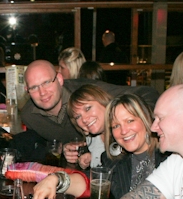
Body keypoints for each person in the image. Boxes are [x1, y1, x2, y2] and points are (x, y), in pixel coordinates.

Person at [33, 93, 182, 199]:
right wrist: (55, 179)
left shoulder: (171, 156)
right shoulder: (115, 161)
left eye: (130, 121)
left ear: (145, 120)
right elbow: (90, 181)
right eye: (116, 126)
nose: (123, 130)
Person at [19, 60, 159, 146]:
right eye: (34, 87)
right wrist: (64, 149)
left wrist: (128, 125)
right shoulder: (29, 116)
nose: (42, 92)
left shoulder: (88, 93)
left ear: (60, 79)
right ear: (27, 91)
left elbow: (148, 93)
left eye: (47, 82)